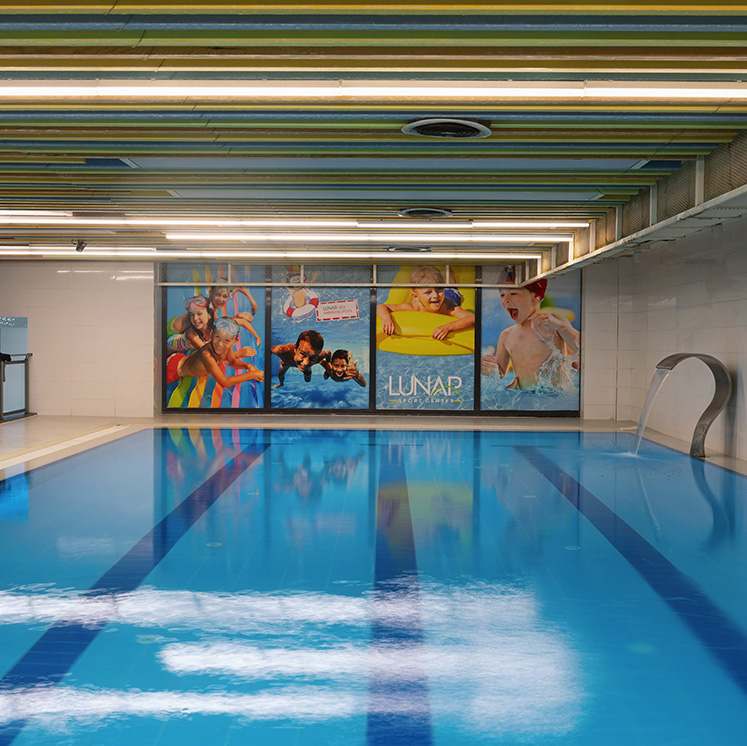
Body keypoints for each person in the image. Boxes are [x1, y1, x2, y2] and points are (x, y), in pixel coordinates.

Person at [481, 279, 579, 390]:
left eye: (513, 293)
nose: (505, 300)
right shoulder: (506, 335)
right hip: (525, 395)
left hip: (555, 394)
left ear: (535, 296)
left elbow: (581, 347)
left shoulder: (553, 322)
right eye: (502, 295)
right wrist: (487, 366)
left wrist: (562, 327)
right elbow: (500, 373)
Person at [377, 265, 475, 340]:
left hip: (450, 294)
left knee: (451, 287)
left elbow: (472, 318)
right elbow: (380, 307)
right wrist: (386, 317)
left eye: (439, 289)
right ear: (415, 296)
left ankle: (449, 271)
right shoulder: (413, 307)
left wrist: (448, 327)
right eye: (428, 292)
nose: (435, 295)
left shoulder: (448, 307)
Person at [166, 317, 264, 388]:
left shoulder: (227, 347)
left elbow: (232, 361)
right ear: (212, 333)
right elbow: (224, 382)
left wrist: (248, 366)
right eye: (217, 337)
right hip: (172, 369)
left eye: (227, 340)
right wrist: (251, 375)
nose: (220, 344)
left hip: (180, 359)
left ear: (234, 342)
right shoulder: (206, 354)